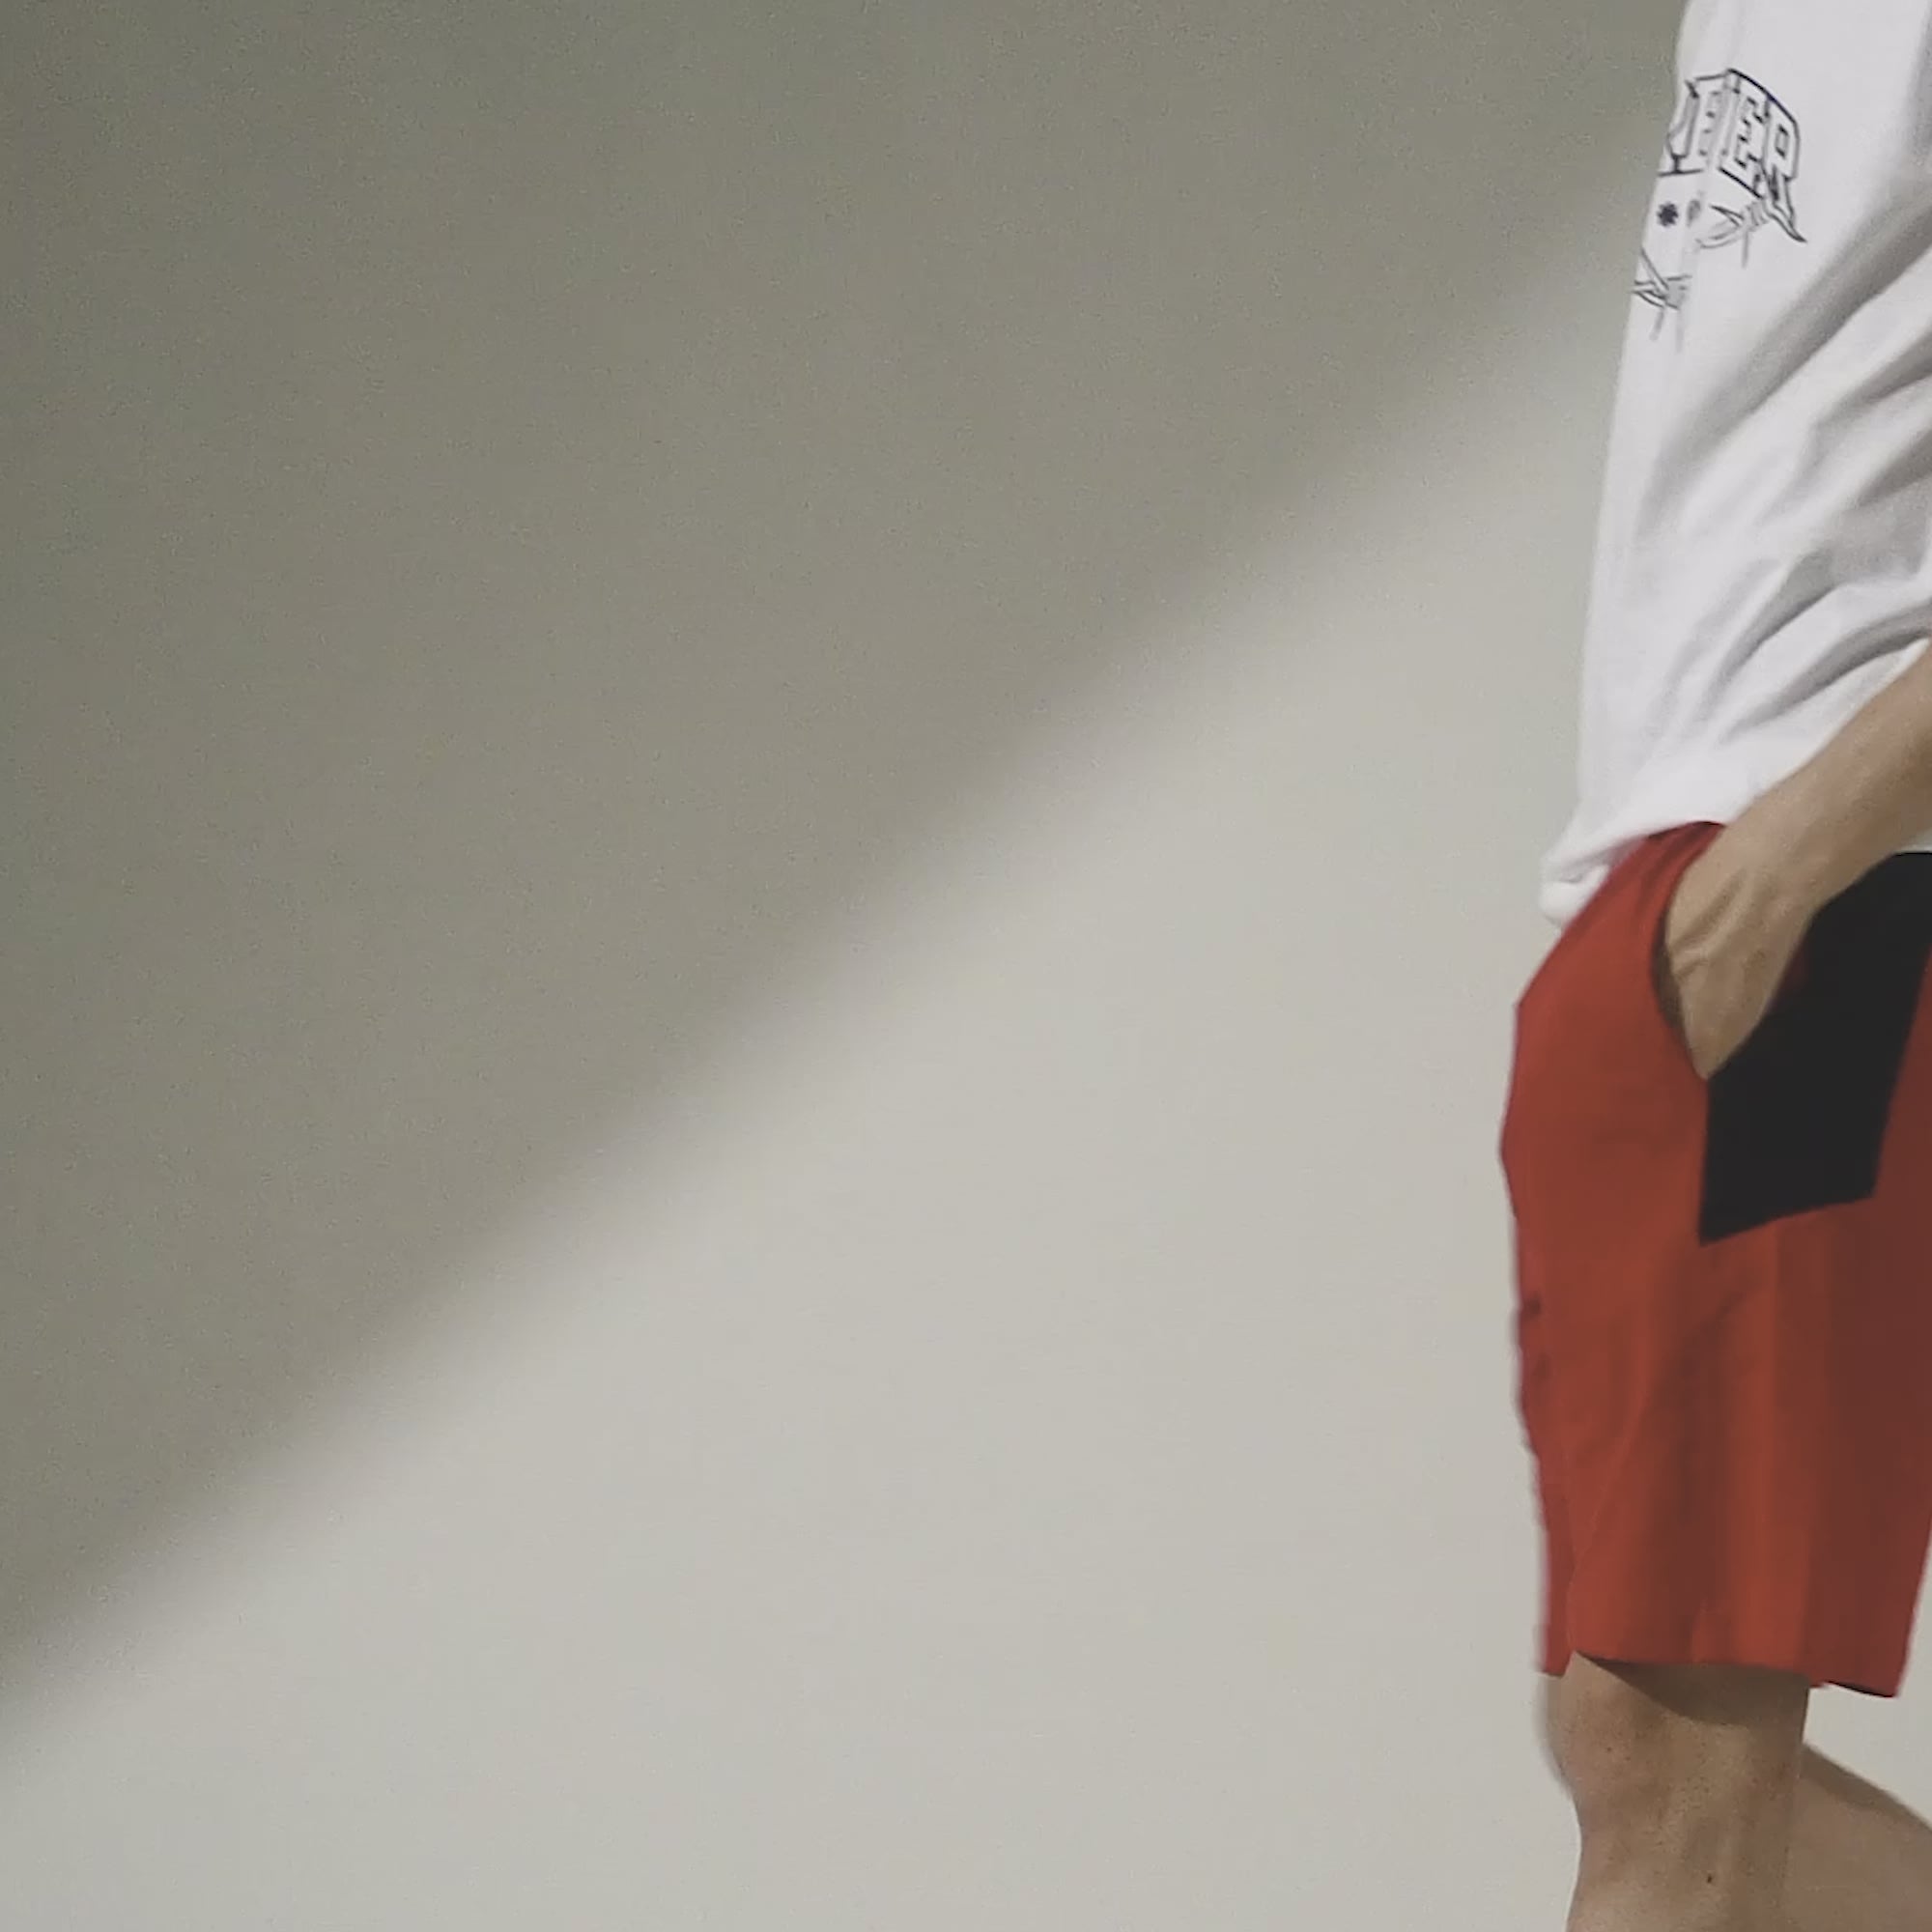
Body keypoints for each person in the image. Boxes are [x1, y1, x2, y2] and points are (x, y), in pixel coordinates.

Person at [1498, 3, 1932, 1926]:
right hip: (1662, 888)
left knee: (1681, 1779)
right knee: (1624, 1736)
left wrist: (1792, 861)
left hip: (1820, 899)